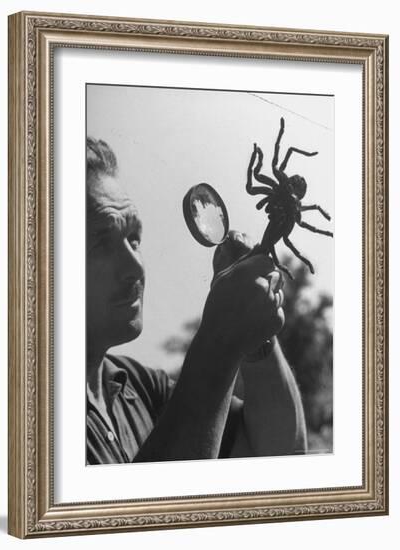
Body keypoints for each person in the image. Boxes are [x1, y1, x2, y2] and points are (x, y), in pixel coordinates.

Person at [86, 137, 307, 465]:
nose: (136, 266)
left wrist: (257, 335)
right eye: (103, 243)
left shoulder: (142, 389)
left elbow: (281, 453)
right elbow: (144, 514)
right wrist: (220, 340)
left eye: (134, 239)